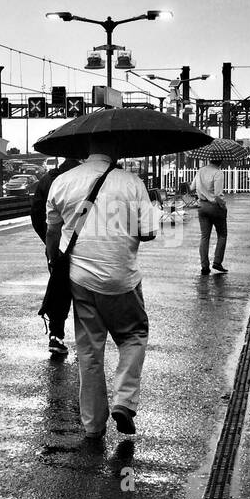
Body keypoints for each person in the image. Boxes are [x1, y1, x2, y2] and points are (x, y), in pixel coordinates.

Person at [46, 135, 157, 447]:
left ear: (86, 149)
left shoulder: (62, 182)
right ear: (117, 149)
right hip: (122, 280)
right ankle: (124, 401)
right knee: (133, 336)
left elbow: (52, 231)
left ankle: (94, 426)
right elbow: (148, 234)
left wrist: (53, 260)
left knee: (89, 350)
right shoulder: (132, 183)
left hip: (80, 279)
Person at [31, 157, 82, 354]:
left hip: (56, 246)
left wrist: (49, 242)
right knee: (84, 291)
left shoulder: (47, 180)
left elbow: (36, 214)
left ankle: (56, 335)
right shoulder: (83, 179)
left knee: (58, 288)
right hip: (83, 245)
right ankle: (85, 338)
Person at [193, 158, 228, 274]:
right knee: (222, 235)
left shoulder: (200, 170)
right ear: (220, 161)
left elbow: (192, 187)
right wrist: (223, 205)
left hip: (202, 206)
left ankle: (204, 267)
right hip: (215, 207)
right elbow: (218, 195)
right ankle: (217, 262)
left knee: (204, 237)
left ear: (210, 160)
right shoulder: (218, 173)